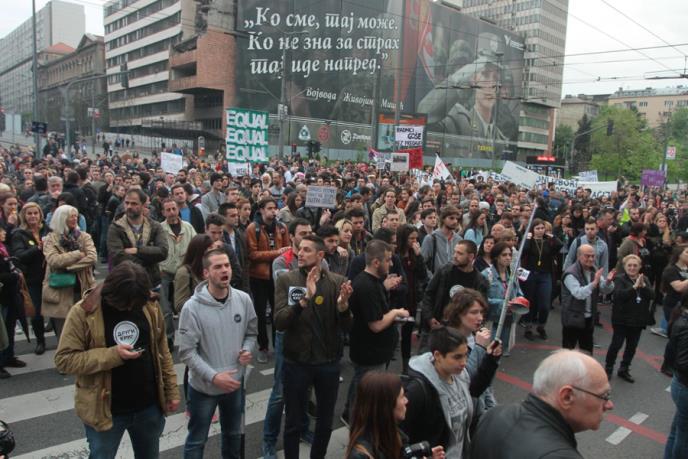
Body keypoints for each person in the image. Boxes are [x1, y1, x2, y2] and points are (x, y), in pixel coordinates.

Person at [54, 261, 180, 458]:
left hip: (148, 406)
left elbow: (162, 350)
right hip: (106, 410)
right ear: (112, 293)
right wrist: (113, 355)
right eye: (126, 303)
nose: (130, 307)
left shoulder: (148, 304)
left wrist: (172, 390)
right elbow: (64, 359)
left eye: (134, 304)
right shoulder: (84, 312)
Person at [274, 235, 353, 459]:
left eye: (307, 250)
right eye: (300, 249)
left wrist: (344, 307)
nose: (300, 253)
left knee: (325, 421)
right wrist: (304, 299)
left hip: (327, 364)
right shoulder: (286, 280)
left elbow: (348, 327)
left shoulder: (337, 282)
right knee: (293, 422)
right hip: (296, 363)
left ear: (320, 255)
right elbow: (280, 321)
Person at [178, 249, 258, 459]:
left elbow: (251, 334)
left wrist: (247, 350)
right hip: (203, 389)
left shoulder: (243, 299)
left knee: (233, 437)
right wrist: (214, 377)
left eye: (227, 266)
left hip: (234, 386)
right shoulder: (190, 308)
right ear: (206, 273)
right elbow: (185, 352)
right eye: (218, 267)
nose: (225, 270)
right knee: (196, 441)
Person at [470, 349, 613, 459]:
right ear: (567, 397)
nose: (609, 405)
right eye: (604, 396)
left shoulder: (494, 414)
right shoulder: (559, 456)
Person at [401, 326, 500, 457]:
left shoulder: (459, 375)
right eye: (457, 357)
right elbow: (399, 434)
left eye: (465, 355)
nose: (464, 362)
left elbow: (474, 390)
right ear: (438, 355)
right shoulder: (418, 390)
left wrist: (490, 359)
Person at [343, 240, 407, 423]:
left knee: (360, 385)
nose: (392, 263)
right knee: (365, 391)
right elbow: (376, 324)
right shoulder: (366, 286)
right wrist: (395, 312)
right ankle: (356, 421)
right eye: (388, 260)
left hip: (374, 351)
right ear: (376, 262)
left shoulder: (373, 281)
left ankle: (352, 415)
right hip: (370, 352)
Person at [346, 371, 445, 459]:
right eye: (402, 397)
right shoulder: (361, 455)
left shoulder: (395, 435)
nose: (406, 401)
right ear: (386, 405)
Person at [420, 240, 488, 351]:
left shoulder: (480, 281)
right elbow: (428, 294)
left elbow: (483, 308)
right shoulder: (444, 272)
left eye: (460, 253)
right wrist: (430, 318)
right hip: (437, 328)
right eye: (455, 252)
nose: (455, 256)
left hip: (461, 333)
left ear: (471, 257)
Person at [42, 205, 97, 341]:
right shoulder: (51, 239)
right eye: (71, 216)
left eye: (75, 216)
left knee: (86, 333)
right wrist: (78, 254)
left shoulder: (84, 237)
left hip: (83, 288)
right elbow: (54, 260)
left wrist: (68, 268)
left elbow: (92, 257)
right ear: (62, 218)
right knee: (64, 336)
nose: (74, 219)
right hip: (60, 293)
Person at [247, 197, 291, 363]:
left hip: (278, 276)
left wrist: (281, 254)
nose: (274, 211)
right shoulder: (253, 228)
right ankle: (263, 347)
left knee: (277, 312)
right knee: (259, 313)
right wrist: (276, 253)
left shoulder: (282, 227)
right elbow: (252, 254)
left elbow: (287, 251)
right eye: (270, 208)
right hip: (259, 276)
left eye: (275, 208)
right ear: (261, 210)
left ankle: (277, 345)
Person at [605, 254, 653, 383]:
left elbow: (652, 295)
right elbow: (619, 296)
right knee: (616, 345)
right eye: (629, 265)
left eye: (635, 265)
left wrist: (643, 286)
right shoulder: (620, 279)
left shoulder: (645, 279)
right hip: (621, 319)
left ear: (640, 267)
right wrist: (634, 287)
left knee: (632, 347)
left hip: (638, 320)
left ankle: (624, 369)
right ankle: (608, 369)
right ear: (625, 267)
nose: (632, 268)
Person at [10, 202, 51, 355]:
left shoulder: (47, 230)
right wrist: (37, 248)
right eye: (29, 213)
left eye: (36, 213)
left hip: (50, 275)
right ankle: (40, 340)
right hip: (32, 278)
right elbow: (19, 256)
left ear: (40, 214)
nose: (33, 216)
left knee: (55, 308)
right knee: (36, 312)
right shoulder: (18, 234)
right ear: (24, 216)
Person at [107, 188, 169, 288]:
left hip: (152, 282)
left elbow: (163, 252)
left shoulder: (155, 226)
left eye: (134, 203)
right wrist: (148, 262)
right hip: (125, 282)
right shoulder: (116, 227)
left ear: (144, 205)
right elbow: (117, 255)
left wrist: (137, 250)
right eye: (126, 203)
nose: (129, 206)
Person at [561, 244, 615, 354]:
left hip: (588, 318)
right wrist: (594, 283)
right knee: (567, 353)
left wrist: (608, 282)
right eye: (587, 256)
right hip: (573, 318)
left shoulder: (594, 270)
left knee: (587, 353)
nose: (591, 259)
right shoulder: (570, 273)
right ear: (579, 256)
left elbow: (605, 289)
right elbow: (579, 293)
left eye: (593, 256)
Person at [159, 198, 196, 349]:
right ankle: (168, 338)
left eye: (174, 209)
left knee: (186, 306)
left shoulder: (188, 227)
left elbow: (195, 246)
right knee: (165, 309)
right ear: (163, 212)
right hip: (164, 272)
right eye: (168, 210)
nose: (172, 212)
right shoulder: (159, 229)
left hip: (185, 272)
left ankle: (190, 336)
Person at [520, 218, 562, 340]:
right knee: (530, 302)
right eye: (537, 228)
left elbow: (559, 245)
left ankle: (541, 326)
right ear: (533, 230)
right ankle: (528, 327)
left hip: (545, 275)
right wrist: (528, 237)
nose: (540, 231)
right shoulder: (530, 241)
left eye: (542, 228)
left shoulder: (548, 242)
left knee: (544, 304)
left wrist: (551, 236)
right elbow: (525, 250)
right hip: (531, 274)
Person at [482, 242, 525, 355]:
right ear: (496, 257)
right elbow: (481, 299)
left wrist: (520, 301)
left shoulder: (512, 274)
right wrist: (503, 303)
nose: (508, 257)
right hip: (492, 319)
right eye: (504, 255)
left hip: (509, 318)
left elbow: (519, 293)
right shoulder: (486, 275)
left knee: (502, 351)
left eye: (510, 255)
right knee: (488, 351)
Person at [396, 224, 427, 374]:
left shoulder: (415, 254)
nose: (414, 241)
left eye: (416, 238)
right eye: (411, 238)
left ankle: (405, 365)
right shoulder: (395, 254)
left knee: (408, 333)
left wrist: (419, 255)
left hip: (412, 298)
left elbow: (423, 275)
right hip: (398, 298)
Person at [665, 294, 688, 458]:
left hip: (680, 384)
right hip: (684, 386)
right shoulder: (685, 325)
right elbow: (683, 363)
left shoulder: (681, 319)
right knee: (684, 437)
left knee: (677, 430)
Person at [0, 225, 23, 379]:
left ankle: (9, 356)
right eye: (0, 231)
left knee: (10, 326)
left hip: (10, 294)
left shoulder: (4, 248)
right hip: (3, 294)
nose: (3, 233)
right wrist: (14, 276)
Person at [173, 234, 214, 314]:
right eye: (210, 249)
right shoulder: (184, 272)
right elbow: (179, 304)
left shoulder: (212, 269)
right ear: (200, 251)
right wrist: (206, 300)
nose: (213, 252)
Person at [421, 206, 462, 274]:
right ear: (443, 219)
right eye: (451, 218)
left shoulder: (459, 240)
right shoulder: (431, 238)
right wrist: (432, 279)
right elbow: (422, 263)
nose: (455, 221)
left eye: (457, 219)